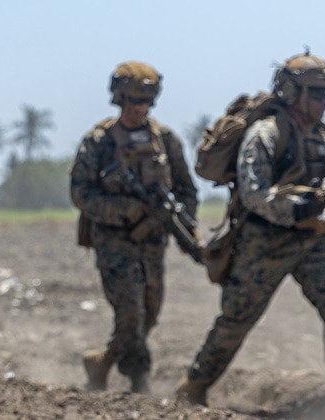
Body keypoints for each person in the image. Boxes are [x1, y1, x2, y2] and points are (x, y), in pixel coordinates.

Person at [175, 51, 325, 406]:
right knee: (237, 319)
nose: (322, 102)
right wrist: (300, 206)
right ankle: (194, 386)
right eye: (315, 93)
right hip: (265, 241)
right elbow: (254, 193)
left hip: (312, 239)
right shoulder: (266, 133)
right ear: (292, 92)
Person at [70, 61, 199, 394]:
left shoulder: (165, 140)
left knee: (149, 314)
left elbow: (186, 188)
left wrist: (185, 221)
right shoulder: (99, 141)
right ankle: (140, 381)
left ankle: (102, 362)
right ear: (119, 99)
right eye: (134, 100)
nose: (140, 108)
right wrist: (125, 211)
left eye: (147, 101)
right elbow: (81, 193)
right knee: (130, 312)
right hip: (113, 242)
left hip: (153, 243)